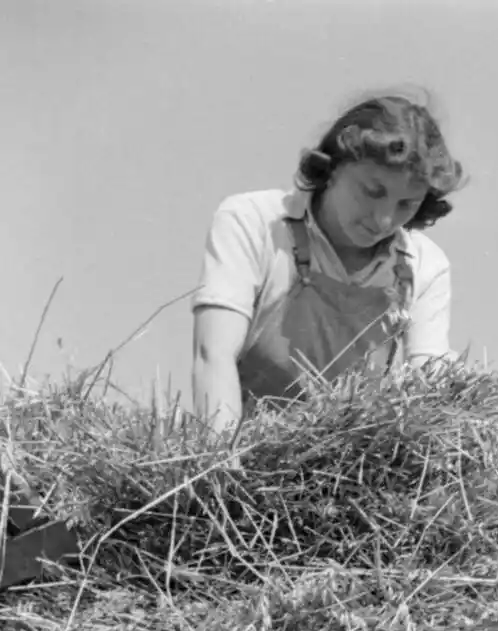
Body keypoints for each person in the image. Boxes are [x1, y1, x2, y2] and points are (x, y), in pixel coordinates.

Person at [192, 93, 464, 430]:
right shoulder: (253, 222)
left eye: (406, 204)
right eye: (372, 191)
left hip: (350, 473)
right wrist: (221, 472)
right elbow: (213, 356)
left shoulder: (424, 266)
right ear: (334, 167)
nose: (383, 220)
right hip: (245, 452)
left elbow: (428, 390)